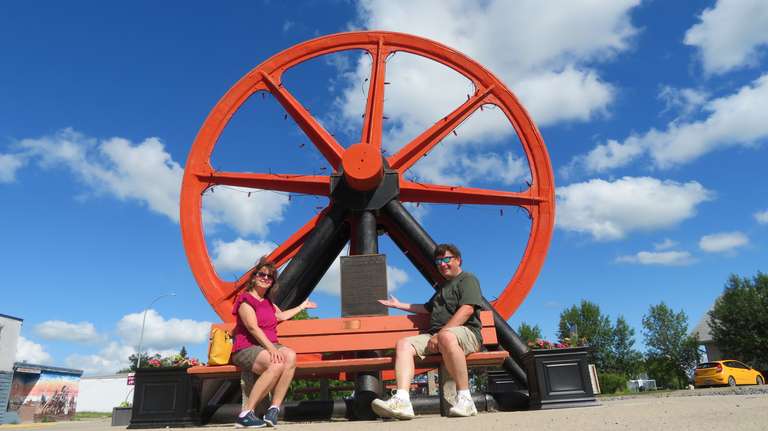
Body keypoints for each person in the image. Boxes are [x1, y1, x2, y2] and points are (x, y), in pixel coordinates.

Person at [371, 243, 484, 419]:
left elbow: (467, 310)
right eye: (438, 261)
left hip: (466, 333)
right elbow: (425, 308)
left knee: (446, 336)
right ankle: (403, 401)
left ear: (458, 260)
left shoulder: (468, 279)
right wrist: (398, 305)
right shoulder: (443, 288)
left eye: (447, 259)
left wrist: (440, 334)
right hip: (439, 336)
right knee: (403, 345)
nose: (442, 264)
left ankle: (466, 400)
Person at [231, 256, 317, 428]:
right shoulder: (245, 299)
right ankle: (246, 413)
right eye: (262, 274)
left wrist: (302, 306)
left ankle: (274, 409)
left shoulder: (269, 303)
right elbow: (253, 328)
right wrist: (272, 349)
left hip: (267, 346)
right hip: (246, 348)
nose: (265, 278)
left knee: (291, 356)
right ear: (254, 277)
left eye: (269, 277)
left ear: (272, 282)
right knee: (276, 364)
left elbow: (281, 316)